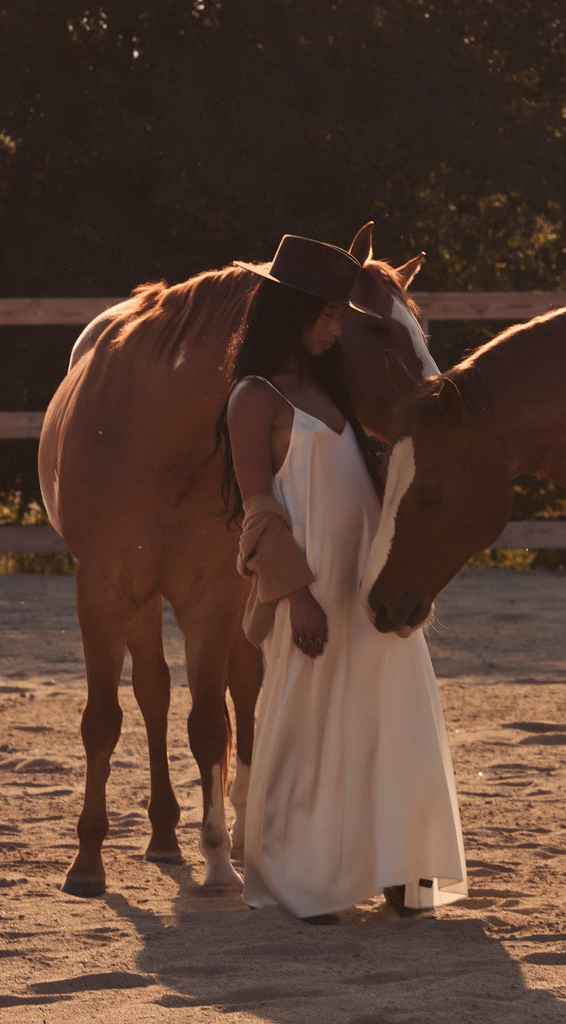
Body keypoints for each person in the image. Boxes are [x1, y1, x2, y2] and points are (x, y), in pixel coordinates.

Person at [219, 233, 467, 923]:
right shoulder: (254, 398)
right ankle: (307, 877)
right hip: (309, 591)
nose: (334, 328)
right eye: (325, 316)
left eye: (337, 316)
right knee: (309, 730)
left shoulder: (337, 395)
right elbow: (259, 509)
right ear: (288, 314)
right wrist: (296, 596)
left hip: (367, 586)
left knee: (395, 720)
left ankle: (402, 871)